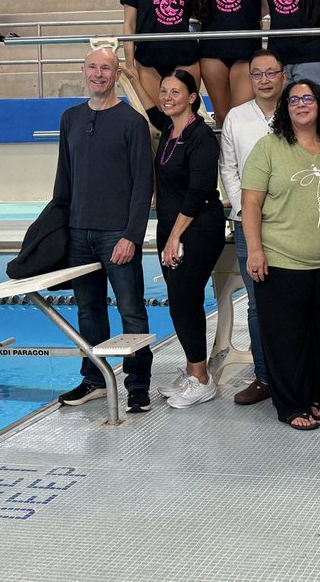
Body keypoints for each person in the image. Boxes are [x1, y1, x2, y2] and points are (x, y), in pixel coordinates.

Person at [54, 47, 155, 413]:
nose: (99, 74)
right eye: (93, 67)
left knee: (131, 311)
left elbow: (143, 185)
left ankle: (138, 384)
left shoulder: (132, 122)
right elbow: (63, 179)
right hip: (78, 233)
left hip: (117, 234)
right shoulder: (70, 118)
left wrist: (131, 235)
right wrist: (59, 231)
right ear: (84, 71)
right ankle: (94, 378)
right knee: (88, 312)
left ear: (117, 74)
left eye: (107, 68)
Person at [241, 78, 320, 430]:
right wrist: (255, 250)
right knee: (285, 339)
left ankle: (315, 396)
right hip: (281, 259)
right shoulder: (268, 147)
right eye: (294, 99)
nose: (301, 104)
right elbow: (250, 203)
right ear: (286, 108)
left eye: (308, 98)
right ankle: (290, 405)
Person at [127, 69, 227, 409]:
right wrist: (130, 73)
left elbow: (199, 192)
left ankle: (201, 379)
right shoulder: (169, 128)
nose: (168, 97)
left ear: (193, 98)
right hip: (172, 227)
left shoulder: (201, 137)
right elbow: (148, 104)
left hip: (196, 228)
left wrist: (174, 237)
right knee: (180, 300)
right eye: (164, 91)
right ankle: (191, 370)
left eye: (176, 92)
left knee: (185, 299)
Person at [219, 49, 285, 406]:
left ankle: (296, 374)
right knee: (258, 305)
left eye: (270, 73)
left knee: (294, 302)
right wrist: (244, 208)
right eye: (256, 74)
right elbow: (228, 167)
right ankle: (264, 377)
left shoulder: (297, 111)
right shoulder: (235, 118)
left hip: (291, 223)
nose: (263, 80)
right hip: (249, 224)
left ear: (282, 76)